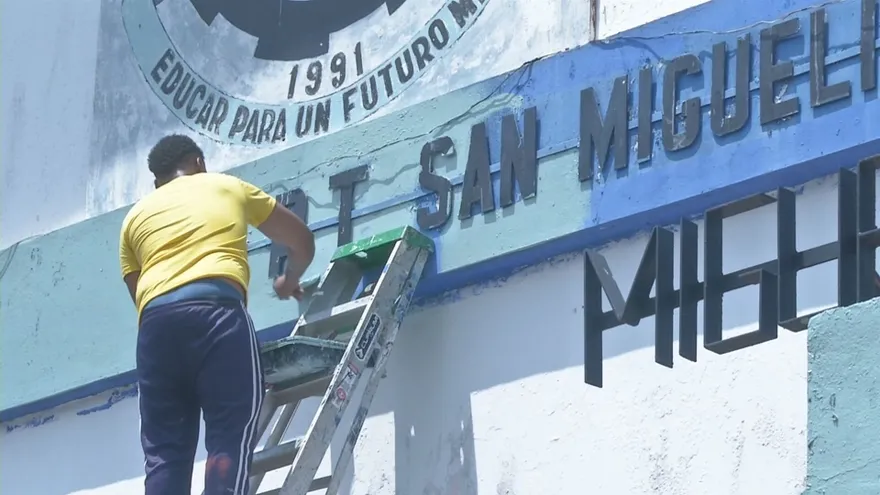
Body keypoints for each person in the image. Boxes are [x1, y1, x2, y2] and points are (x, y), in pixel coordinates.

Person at [118, 134, 315, 495]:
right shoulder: (226, 187)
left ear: (157, 181)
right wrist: (289, 280)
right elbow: (301, 240)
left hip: (156, 331)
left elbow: (141, 295)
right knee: (229, 434)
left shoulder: (134, 219)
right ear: (198, 163)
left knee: (164, 455)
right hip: (216, 316)